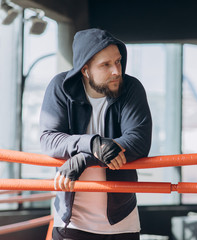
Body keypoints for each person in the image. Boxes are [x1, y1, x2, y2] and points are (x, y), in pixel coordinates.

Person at [39, 28, 152, 240]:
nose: (116, 71)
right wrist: (92, 144)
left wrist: (85, 157)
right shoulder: (60, 87)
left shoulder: (131, 88)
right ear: (85, 69)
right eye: (106, 65)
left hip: (122, 222)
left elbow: (139, 140)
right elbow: (49, 138)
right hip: (71, 221)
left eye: (118, 61)